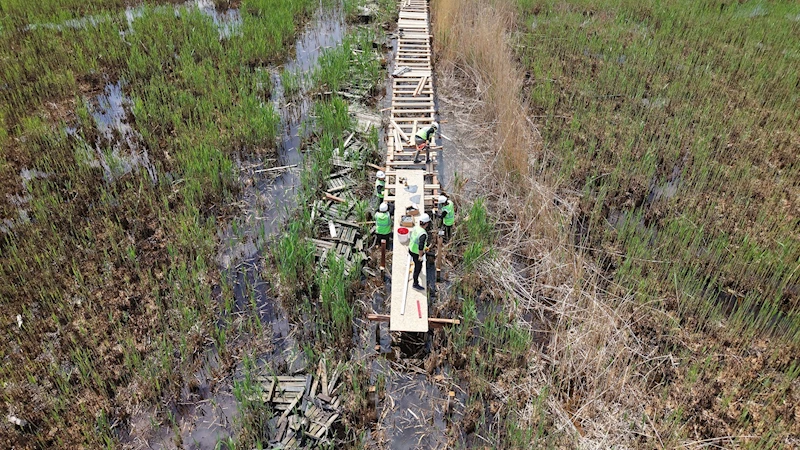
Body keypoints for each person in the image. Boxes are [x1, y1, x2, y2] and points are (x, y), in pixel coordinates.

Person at [409, 213, 431, 291]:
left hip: (411, 249)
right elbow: (420, 247)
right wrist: (420, 256)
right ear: (426, 223)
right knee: (417, 267)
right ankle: (415, 284)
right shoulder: (423, 234)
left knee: (417, 263)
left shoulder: (416, 227)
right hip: (416, 252)